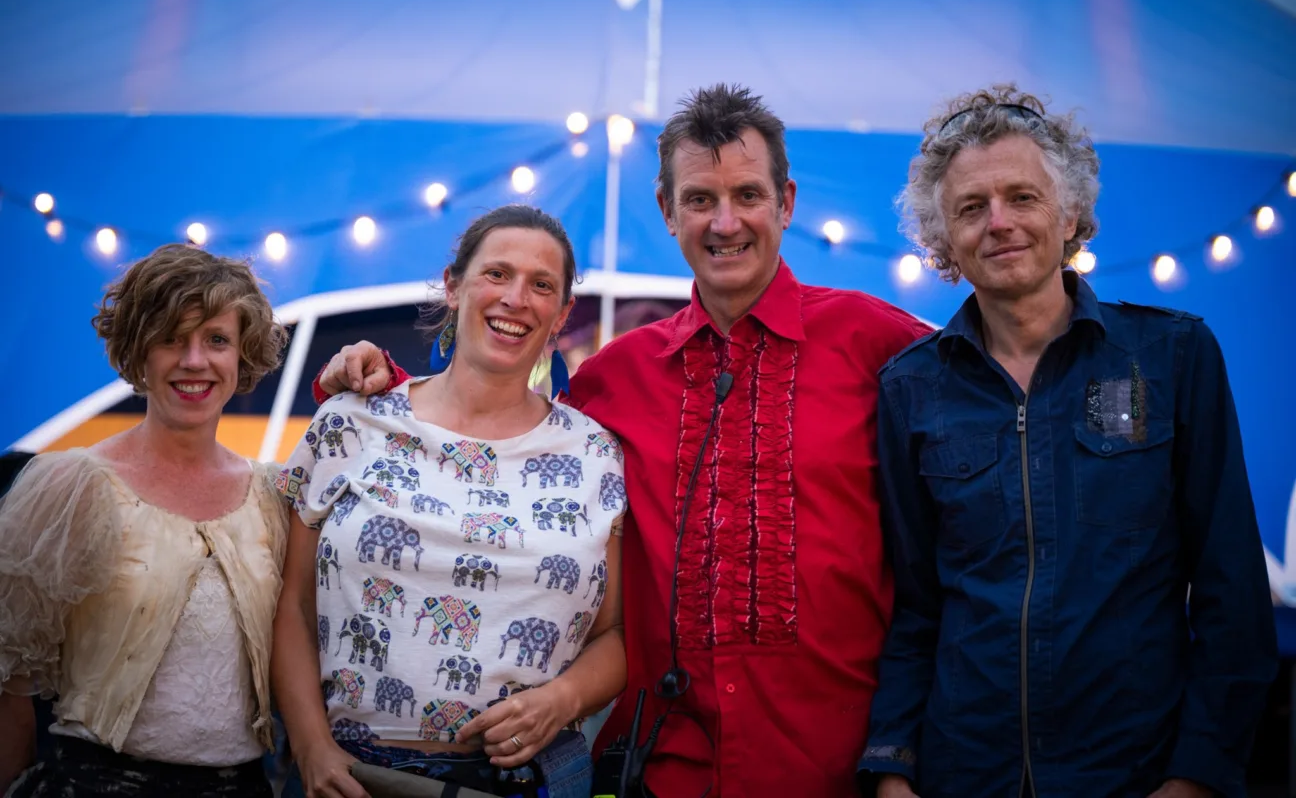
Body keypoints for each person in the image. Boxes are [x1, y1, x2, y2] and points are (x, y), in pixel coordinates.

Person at [312, 85, 932, 796]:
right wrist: (383, 384)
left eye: (747, 195)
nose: (725, 222)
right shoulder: (616, 377)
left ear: (786, 202)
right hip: (665, 769)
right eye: (700, 199)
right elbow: (495, 431)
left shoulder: (879, 342)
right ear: (667, 210)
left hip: (841, 769)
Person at [858, 85, 1277, 798]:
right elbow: (917, 607)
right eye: (970, 208)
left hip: (1133, 773)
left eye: (1022, 197)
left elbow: (1231, 594)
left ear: (1072, 212)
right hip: (966, 774)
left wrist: (1198, 775)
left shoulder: (1173, 358)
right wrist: (893, 768)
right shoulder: (910, 389)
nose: (999, 223)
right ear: (942, 241)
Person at [271, 204, 626, 798]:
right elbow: (292, 608)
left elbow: (615, 634)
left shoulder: (597, 454)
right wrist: (310, 748)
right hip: (350, 777)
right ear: (453, 285)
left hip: (524, 782)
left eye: (542, 285)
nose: (516, 298)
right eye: (497, 274)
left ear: (563, 313)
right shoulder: (350, 422)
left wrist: (563, 699)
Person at [0, 244, 290, 796]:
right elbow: (9, 686)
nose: (195, 360)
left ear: (242, 355)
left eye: (217, 340)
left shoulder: (273, 495)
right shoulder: (71, 484)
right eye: (170, 338)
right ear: (138, 351)